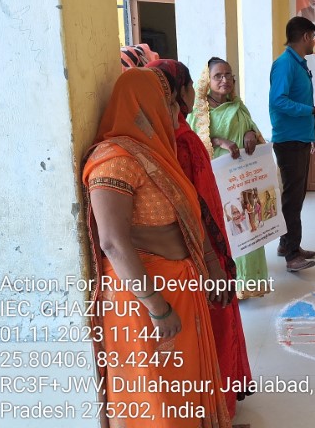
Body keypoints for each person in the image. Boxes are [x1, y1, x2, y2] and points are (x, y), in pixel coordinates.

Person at [81, 68, 231, 427]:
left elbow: (188, 218)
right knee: (155, 393)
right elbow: (112, 242)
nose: (174, 111)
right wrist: (157, 307)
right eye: (167, 103)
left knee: (182, 388)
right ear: (142, 106)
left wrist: (211, 266)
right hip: (144, 300)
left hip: (179, 289)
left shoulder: (156, 156)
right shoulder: (114, 159)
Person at [146, 58, 254, 416]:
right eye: (192, 85)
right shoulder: (182, 141)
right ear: (180, 92)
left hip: (195, 244)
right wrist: (213, 257)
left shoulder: (161, 135)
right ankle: (216, 400)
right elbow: (197, 204)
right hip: (202, 245)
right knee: (214, 322)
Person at [188, 57, 270, 299]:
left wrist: (250, 133)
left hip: (244, 177)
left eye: (228, 75)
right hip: (217, 181)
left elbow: (251, 128)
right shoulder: (199, 111)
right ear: (208, 80)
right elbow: (193, 143)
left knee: (249, 223)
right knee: (227, 226)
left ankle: (250, 282)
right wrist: (218, 141)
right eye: (218, 76)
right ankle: (229, 283)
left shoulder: (238, 106)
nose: (224, 80)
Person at [269, 16, 315, 272]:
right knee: (293, 199)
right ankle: (292, 255)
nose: (314, 42)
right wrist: (312, 111)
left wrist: (311, 133)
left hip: (300, 137)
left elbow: (298, 100)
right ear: (305, 36)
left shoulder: (298, 64)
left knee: (296, 196)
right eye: (313, 37)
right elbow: (278, 101)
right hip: (289, 140)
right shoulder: (285, 64)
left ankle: (287, 244)